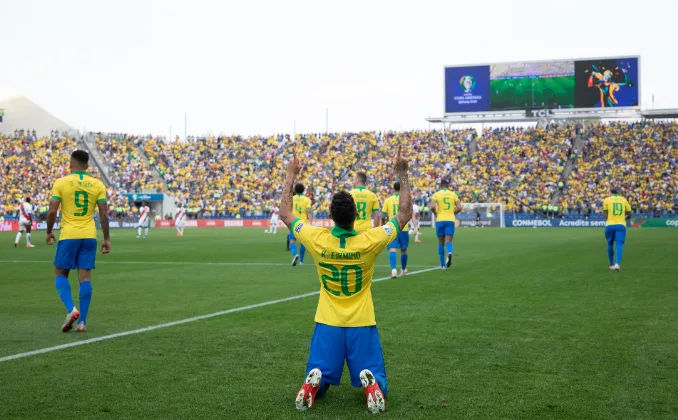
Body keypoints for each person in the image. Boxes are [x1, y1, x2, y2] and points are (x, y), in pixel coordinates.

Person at [282, 147, 412, 414]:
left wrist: (290, 174)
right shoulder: (370, 240)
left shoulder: (317, 239)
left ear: (331, 216)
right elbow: (405, 214)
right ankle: (372, 385)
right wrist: (402, 173)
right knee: (378, 379)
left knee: (321, 374)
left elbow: (285, 213)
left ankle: (315, 381)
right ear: (356, 215)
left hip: (327, 322)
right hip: (361, 323)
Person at [46, 150, 110, 333]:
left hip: (69, 235)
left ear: (70, 164)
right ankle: (82, 322)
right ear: (87, 166)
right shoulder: (97, 184)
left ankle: (71, 310)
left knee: (60, 274)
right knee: (85, 278)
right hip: (89, 235)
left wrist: (49, 231)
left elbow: (52, 211)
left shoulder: (61, 183)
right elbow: (104, 213)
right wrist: (106, 238)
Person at [430, 180, 462, 269]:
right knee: (449, 241)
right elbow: (459, 208)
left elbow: (432, 207)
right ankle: (450, 253)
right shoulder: (453, 195)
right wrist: (452, 213)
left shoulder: (436, 194)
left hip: (440, 220)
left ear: (441, 186)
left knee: (441, 242)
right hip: (450, 220)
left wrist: (436, 214)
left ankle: (443, 265)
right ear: (448, 186)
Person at [382, 182, 411, 277]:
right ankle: (403, 270)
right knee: (404, 250)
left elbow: (383, 215)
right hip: (404, 227)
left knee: (392, 249)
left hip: (392, 227)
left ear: (393, 189)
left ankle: (393, 270)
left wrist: (384, 224)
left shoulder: (388, 200)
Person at [603, 188, 631, 271]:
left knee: (610, 243)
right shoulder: (624, 200)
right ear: (618, 193)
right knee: (619, 244)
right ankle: (617, 264)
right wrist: (624, 217)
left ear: (611, 192)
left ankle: (611, 264)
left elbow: (605, 215)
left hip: (610, 225)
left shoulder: (606, 200)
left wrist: (612, 218)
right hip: (621, 225)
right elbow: (629, 214)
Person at [289, 184, 312, 266]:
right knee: (303, 242)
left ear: (295, 190)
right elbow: (308, 212)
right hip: (303, 223)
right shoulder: (307, 200)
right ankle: (301, 261)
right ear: (303, 190)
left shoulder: (291, 198)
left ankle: (295, 254)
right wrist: (310, 223)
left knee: (292, 241)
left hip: (293, 222)